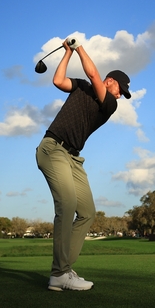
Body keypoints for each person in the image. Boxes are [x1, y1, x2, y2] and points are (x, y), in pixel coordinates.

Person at [35, 38, 131, 292]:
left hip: (73, 158)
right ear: (111, 81)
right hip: (53, 148)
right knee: (66, 204)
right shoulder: (81, 87)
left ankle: (64, 268)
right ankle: (60, 274)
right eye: (121, 88)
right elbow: (58, 81)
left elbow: (92, 72)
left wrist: (79, 47)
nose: (121, 95)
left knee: (87, 212)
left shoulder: (109, 104)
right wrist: (67, 53)